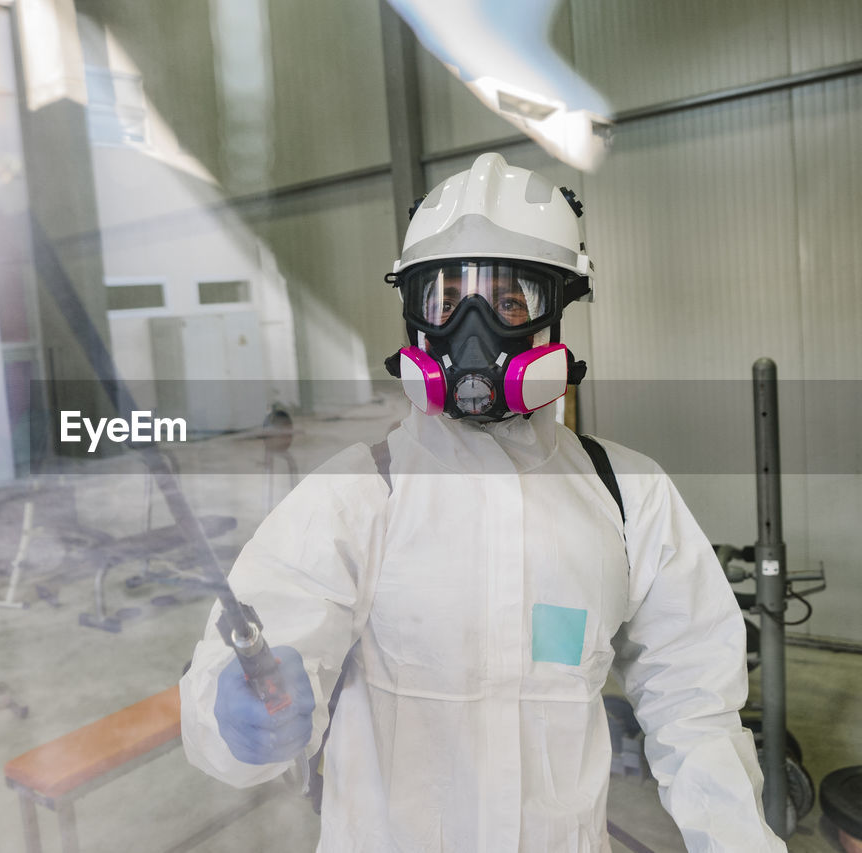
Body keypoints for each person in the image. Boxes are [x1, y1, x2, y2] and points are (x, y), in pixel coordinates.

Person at [179, 152, 785, 852]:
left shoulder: (627, 497)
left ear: (556, 311)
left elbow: (697, 707)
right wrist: (239, 716)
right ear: (415, 317)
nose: (471, 329)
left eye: (507, 300)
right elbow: (240, 690)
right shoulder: (355, 497)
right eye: (445, 299)